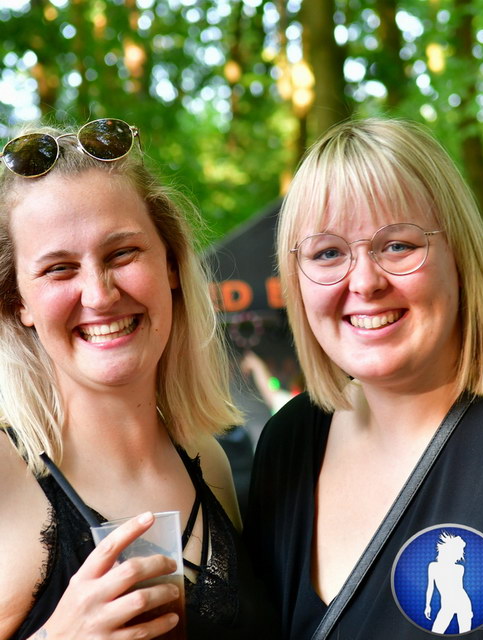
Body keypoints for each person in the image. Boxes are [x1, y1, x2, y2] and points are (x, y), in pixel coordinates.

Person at [245, 118, 483, 639]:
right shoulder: (289, 444)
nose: (364, 281)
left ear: (460, 255)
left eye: (397, 245)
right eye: (328, 253)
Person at [0, 118, 277, 639]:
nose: (100, 295)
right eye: (59, 268)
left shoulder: (209, 461)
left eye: (122, 253)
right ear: (20, 303)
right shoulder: (5, 474)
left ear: (170, 265)